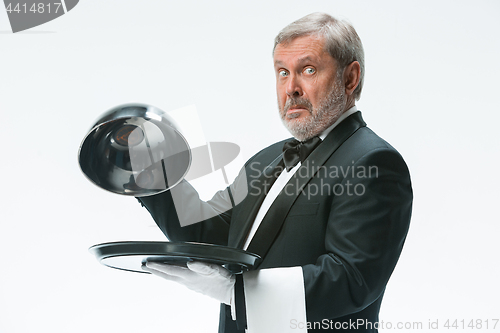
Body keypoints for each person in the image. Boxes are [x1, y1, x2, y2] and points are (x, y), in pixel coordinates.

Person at [137, 12, 413, 333]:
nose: (291, 88)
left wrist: (237, 292)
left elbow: (353, 278)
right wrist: (153, 176)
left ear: (349, 78)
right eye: (282, 72)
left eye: (307, 70)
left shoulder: (373, 161)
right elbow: (210, 237)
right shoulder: (266, 159)